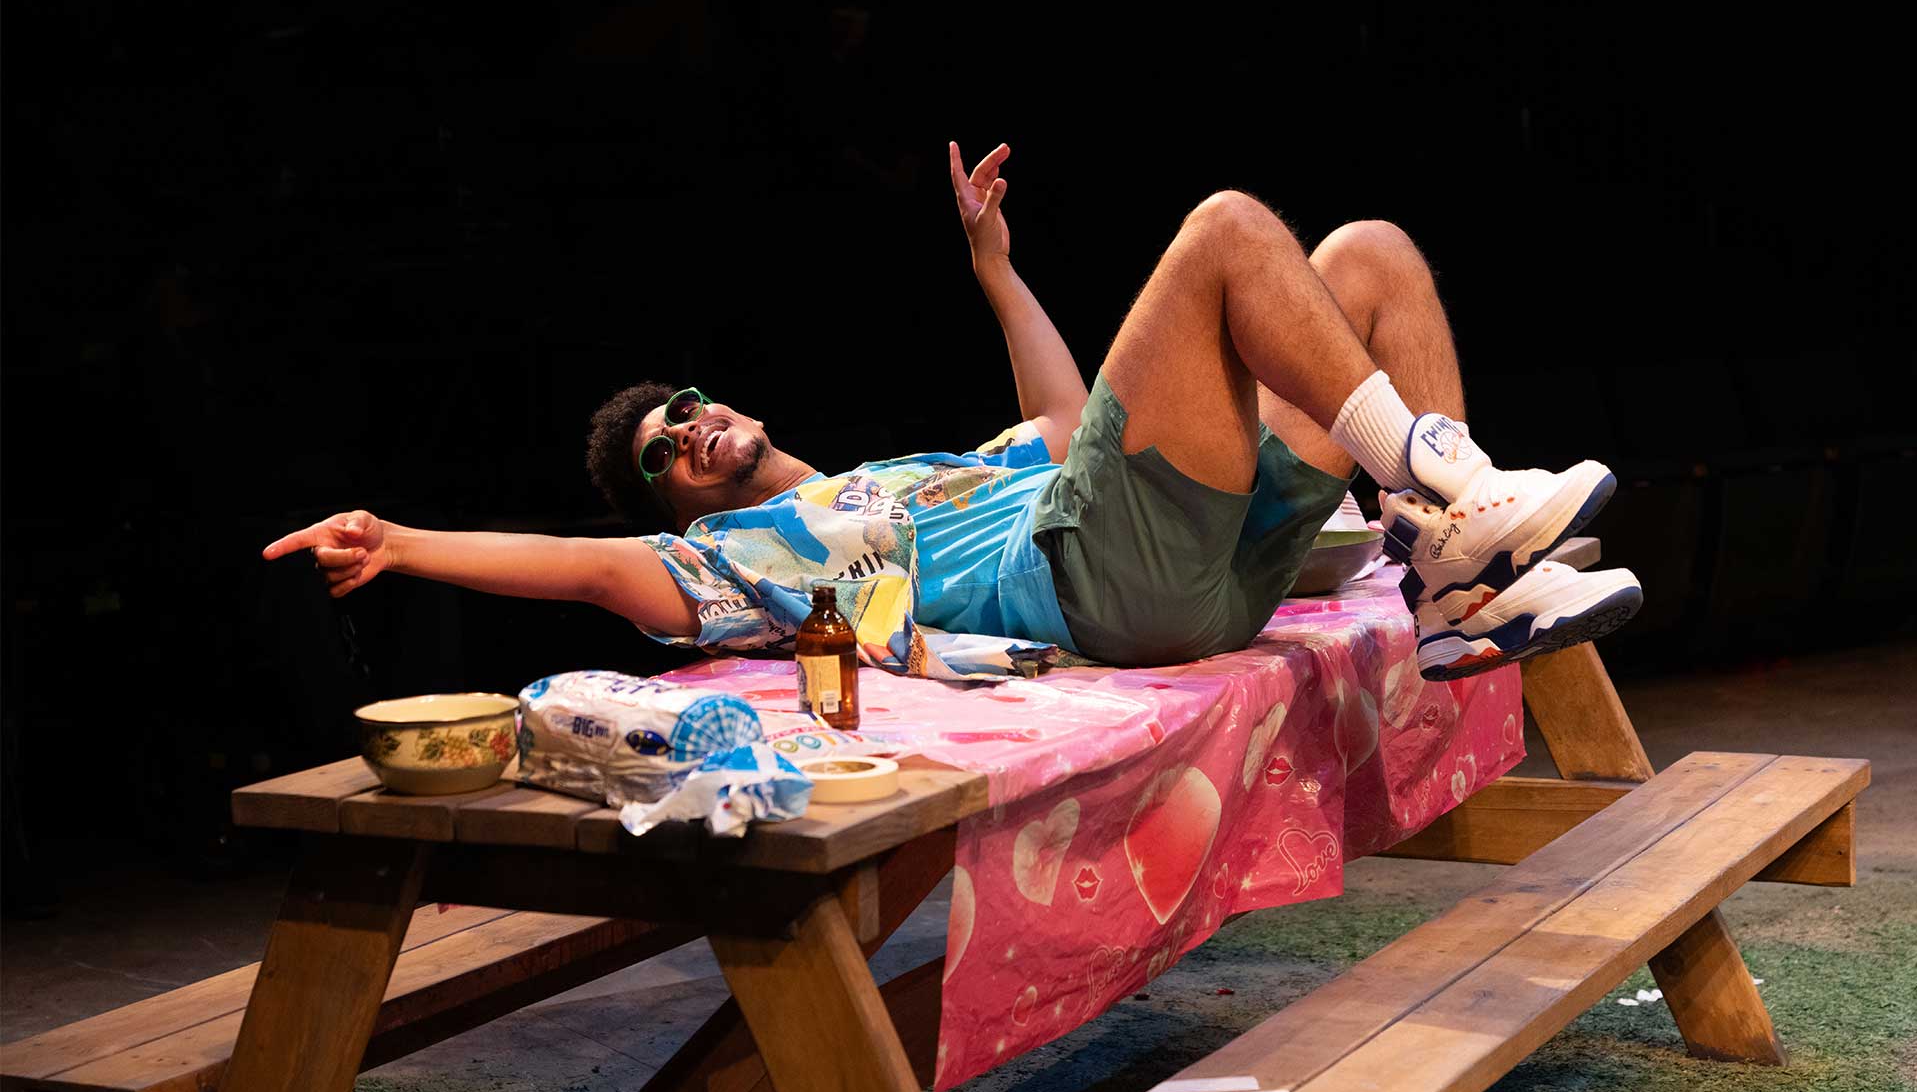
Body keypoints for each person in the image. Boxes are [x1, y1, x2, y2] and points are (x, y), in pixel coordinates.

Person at [265, 143, 1640, 680]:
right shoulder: (756, 553)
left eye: (686, 406)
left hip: (1189, 571)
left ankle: (1455, 585)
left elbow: (1064, 429)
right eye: (663, 455)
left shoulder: (889, 477)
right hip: (1106, 585)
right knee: (1224, 228)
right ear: (679, 502)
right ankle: (1456, 499)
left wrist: (994, 274)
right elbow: (585, 570)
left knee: (1373, 256)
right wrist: (404, 539)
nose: (690, 430)